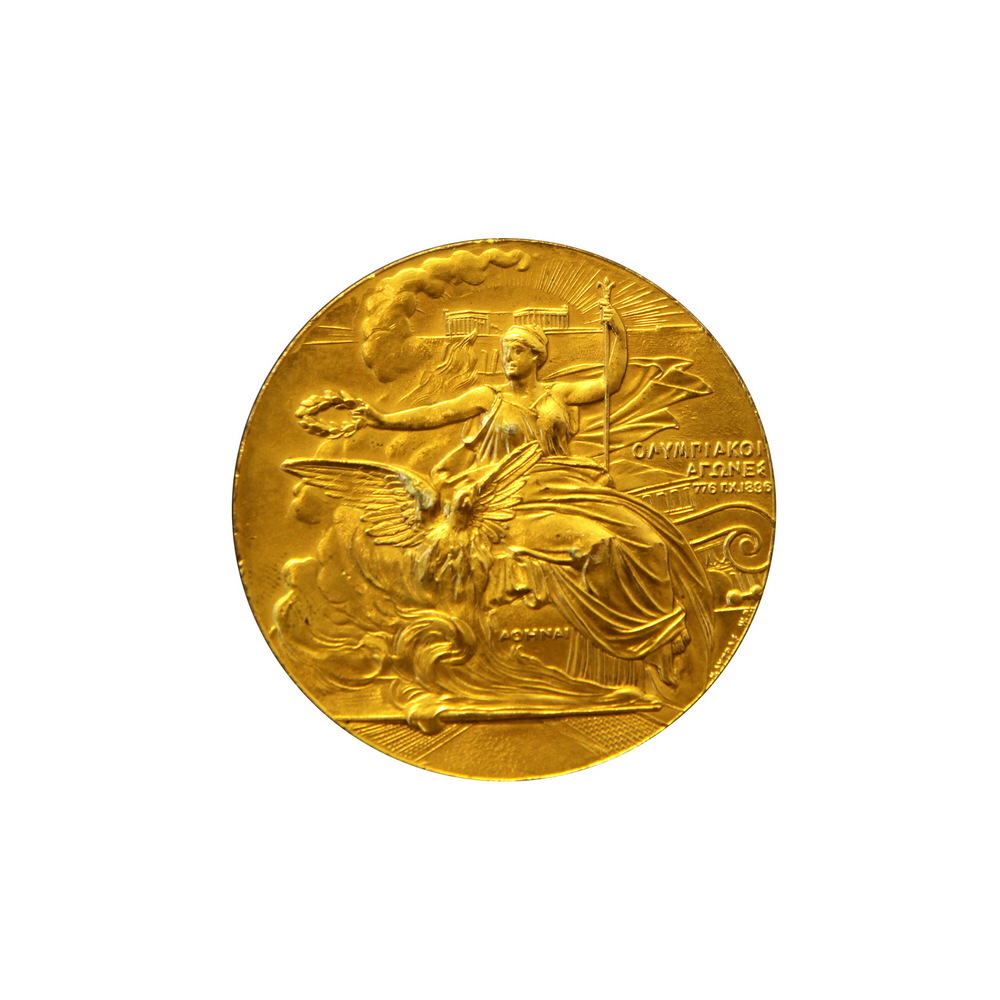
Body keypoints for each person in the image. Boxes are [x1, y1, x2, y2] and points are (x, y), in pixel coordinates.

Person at [354, 308, 714, 697]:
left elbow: (609, 383)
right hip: (513, 497)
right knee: (601, 545)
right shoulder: (487, 398)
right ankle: (648, 643)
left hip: (569, 487)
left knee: (651, 543)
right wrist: (381, 420)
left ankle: (666, 631)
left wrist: (619, 334)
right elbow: (435, 414)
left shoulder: (559, 394)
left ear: (536, 356)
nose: (508, 358)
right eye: (505, 351)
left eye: (517, 351)